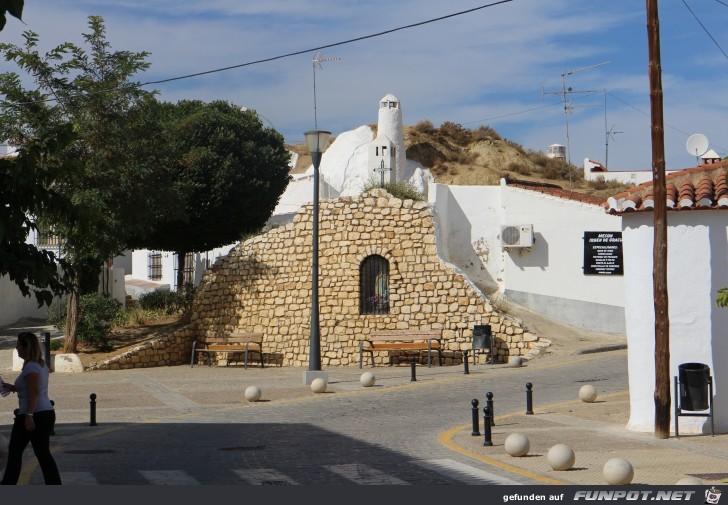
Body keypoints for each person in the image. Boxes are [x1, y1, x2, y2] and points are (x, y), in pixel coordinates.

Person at [0, 332, 62, 485]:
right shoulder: (40, 365)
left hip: (33, 414)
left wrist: (28, 415)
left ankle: (8, 483)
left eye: (19, 345)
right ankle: (54, 484)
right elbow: (32, 389)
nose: (16, 348)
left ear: (26, 347)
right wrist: (13, 387)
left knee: (15, 451)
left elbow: (34, 392)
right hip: (45, 411)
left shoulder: (30, 368)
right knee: (42, 453)